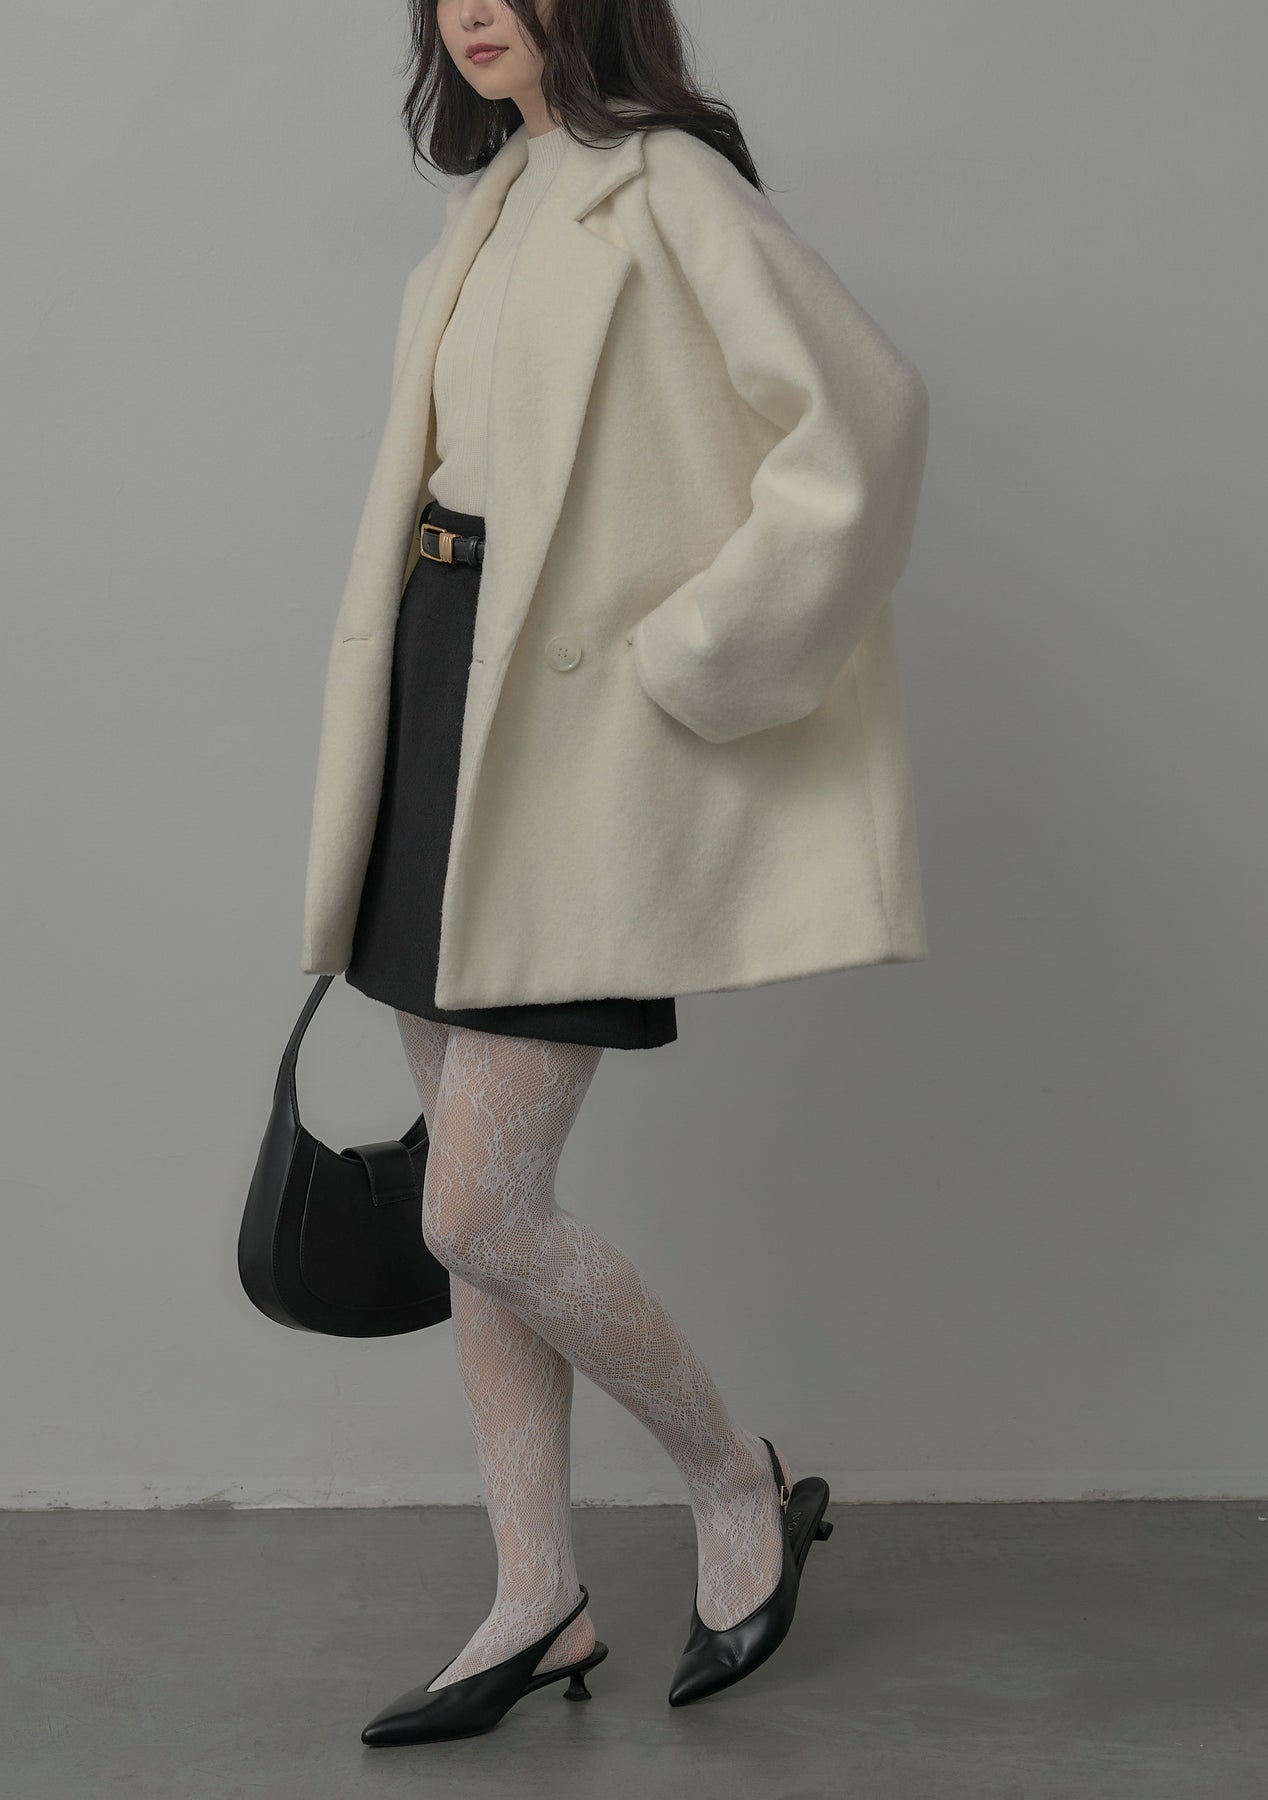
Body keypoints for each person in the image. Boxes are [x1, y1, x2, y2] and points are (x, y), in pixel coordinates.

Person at [299, 0, 930, 1749]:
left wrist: (697, 655)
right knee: (479, 1214)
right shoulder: (491, 198)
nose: (474, 9)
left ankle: (735, 1484)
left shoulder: (665, 187)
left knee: (474, 1212)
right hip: (443, 698)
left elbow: (864, 420)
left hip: (560, 738)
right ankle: (535, 1597)